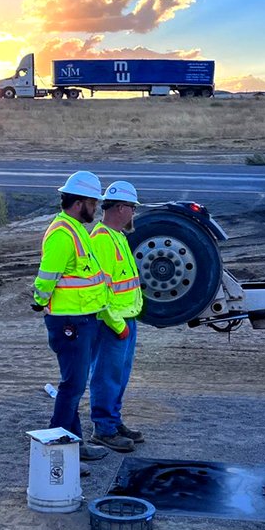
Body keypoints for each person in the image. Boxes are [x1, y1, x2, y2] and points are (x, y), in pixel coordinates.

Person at [31, 170, 126, 463]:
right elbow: (47, 276)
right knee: (71, 387)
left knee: (73, 385)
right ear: (79, 202)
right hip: (69, 322)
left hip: (82, 320)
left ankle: (74, 446)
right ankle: (56, 449)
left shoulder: (74, 229)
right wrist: (40, 300)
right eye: (93, 203)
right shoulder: (63, 234)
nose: (96, 208)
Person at [89, 181, 145, 451]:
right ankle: (104, 428)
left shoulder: (116, 237)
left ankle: (113, 420)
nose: (133, 213)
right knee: (106, 375)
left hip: (124, 320)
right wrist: (117, 324)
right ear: (121, 208)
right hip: (112, 324)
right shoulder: (101, 240)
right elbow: (98, 292)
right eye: (132, 208)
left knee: (119, 375)